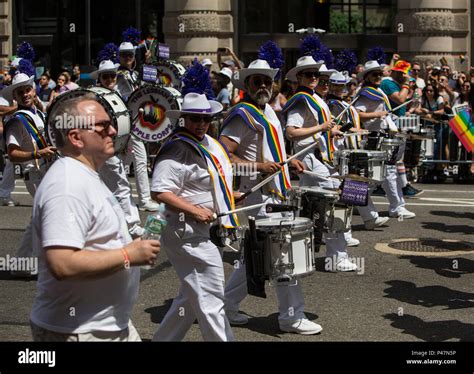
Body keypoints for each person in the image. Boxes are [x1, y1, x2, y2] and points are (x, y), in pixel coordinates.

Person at [29, 92, 160, 341]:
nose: (113, 131)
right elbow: (62, 263)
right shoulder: (67, 184)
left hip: (108, 324)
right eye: (102, 126)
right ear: (76, 137)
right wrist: (128, 255)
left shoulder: (87, 174)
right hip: (78, 330)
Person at [219, 59, 322, 335]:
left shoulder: (269, 112)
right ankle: (291, 317)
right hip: (257, 196)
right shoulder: (241, 114)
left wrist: (287, 163)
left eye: (267, 80)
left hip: (274, 195)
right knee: (282, 254)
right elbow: (224, 158)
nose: (263, 85)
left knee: (255, 256)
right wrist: (259, 167)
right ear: (246, 85)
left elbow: (270, 152)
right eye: (257, 81)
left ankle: (225, 306)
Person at [151, 93, 234, 341]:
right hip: (186, 233)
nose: (200, 123)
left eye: (205, 118)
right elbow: (160, 191)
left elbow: (210, 183)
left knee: (190, 297)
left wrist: (230, 196)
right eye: (195, 118)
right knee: (211, 298)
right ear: (184, 119)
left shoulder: (209, 142)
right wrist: (194, 210)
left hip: (206, 232)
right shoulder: (176, 148)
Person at [282, 56, 359, 267]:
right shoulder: (300, 100)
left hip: (320, 159)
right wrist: (322, 128)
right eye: (309, 74)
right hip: (310, 160)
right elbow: (291, 132)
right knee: (333, 204)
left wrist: (332, 131)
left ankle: (301, 255)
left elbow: (315, 129)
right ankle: (336, 258)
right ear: (298, 77)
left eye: (317, 74)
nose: (314, 78)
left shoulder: (313, 98)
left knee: (314, 208)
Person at [2, 73, 57, 275]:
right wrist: (37, 153)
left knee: (39, 218)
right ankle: (45, 265)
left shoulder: (39, 114)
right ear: (15, 96)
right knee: (48, 216)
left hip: (46, 171)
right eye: (20, 92)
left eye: (28, 90)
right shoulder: (16, 121)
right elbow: (12, 153)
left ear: (34, 91)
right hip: (33, 174)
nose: (25, 94)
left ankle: (20, 264)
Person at [327, 71, 390, 230]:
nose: (338, 89)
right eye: (334, 85)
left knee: (354, 183)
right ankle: (344, 230)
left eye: (341, 86)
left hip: (349, 147)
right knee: (345, 187)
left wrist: (360, 132)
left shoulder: (343, 102)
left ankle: (368, 219)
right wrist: (356, 130)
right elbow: (337, 125)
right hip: (337, 148)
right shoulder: (330, 104)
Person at [355, 61, 416, 219]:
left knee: (388, 173)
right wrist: (377, 115)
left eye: (380, 74)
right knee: (378, 175)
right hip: (375, 138)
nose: (378, 77)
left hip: (384, 136)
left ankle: (395, 206)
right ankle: (392, 207)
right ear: (367, 76)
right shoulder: (366, 92)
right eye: (374, 74)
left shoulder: (378, 90)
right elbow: (357, 114)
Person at [90, 60, 144, 238]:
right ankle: (132, 225)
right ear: (99, 79)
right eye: (105, 76)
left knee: (107, 186)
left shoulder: (118, 95)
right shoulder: (95, 97)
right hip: (106, 147)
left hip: (119, 146)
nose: (109, 79)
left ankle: (103, 225)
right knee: (122, 186)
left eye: (112, 75)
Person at [117, 41, 159, 212]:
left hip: (135, 121)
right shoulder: (120, 74)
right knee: (140, 160)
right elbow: (129, 97)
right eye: (124, 55)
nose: (128, 58)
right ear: (119, 57)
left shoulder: (134, 73)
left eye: (130, 55)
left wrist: (148, 66)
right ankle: (144, 199)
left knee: (123, 163)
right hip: (129, 121)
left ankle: (117, 196)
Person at [380, 60, 423, 198]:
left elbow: (405, 100)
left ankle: (403, 186)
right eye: (404, 74)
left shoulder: (395, 84)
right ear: (397, 73)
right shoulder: (387, 83)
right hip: (390, 125)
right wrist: (405, 84)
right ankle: (396, 187)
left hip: (397, 124)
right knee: (391, 159)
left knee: (397, 159)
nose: (406, 77)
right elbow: (399, 99)